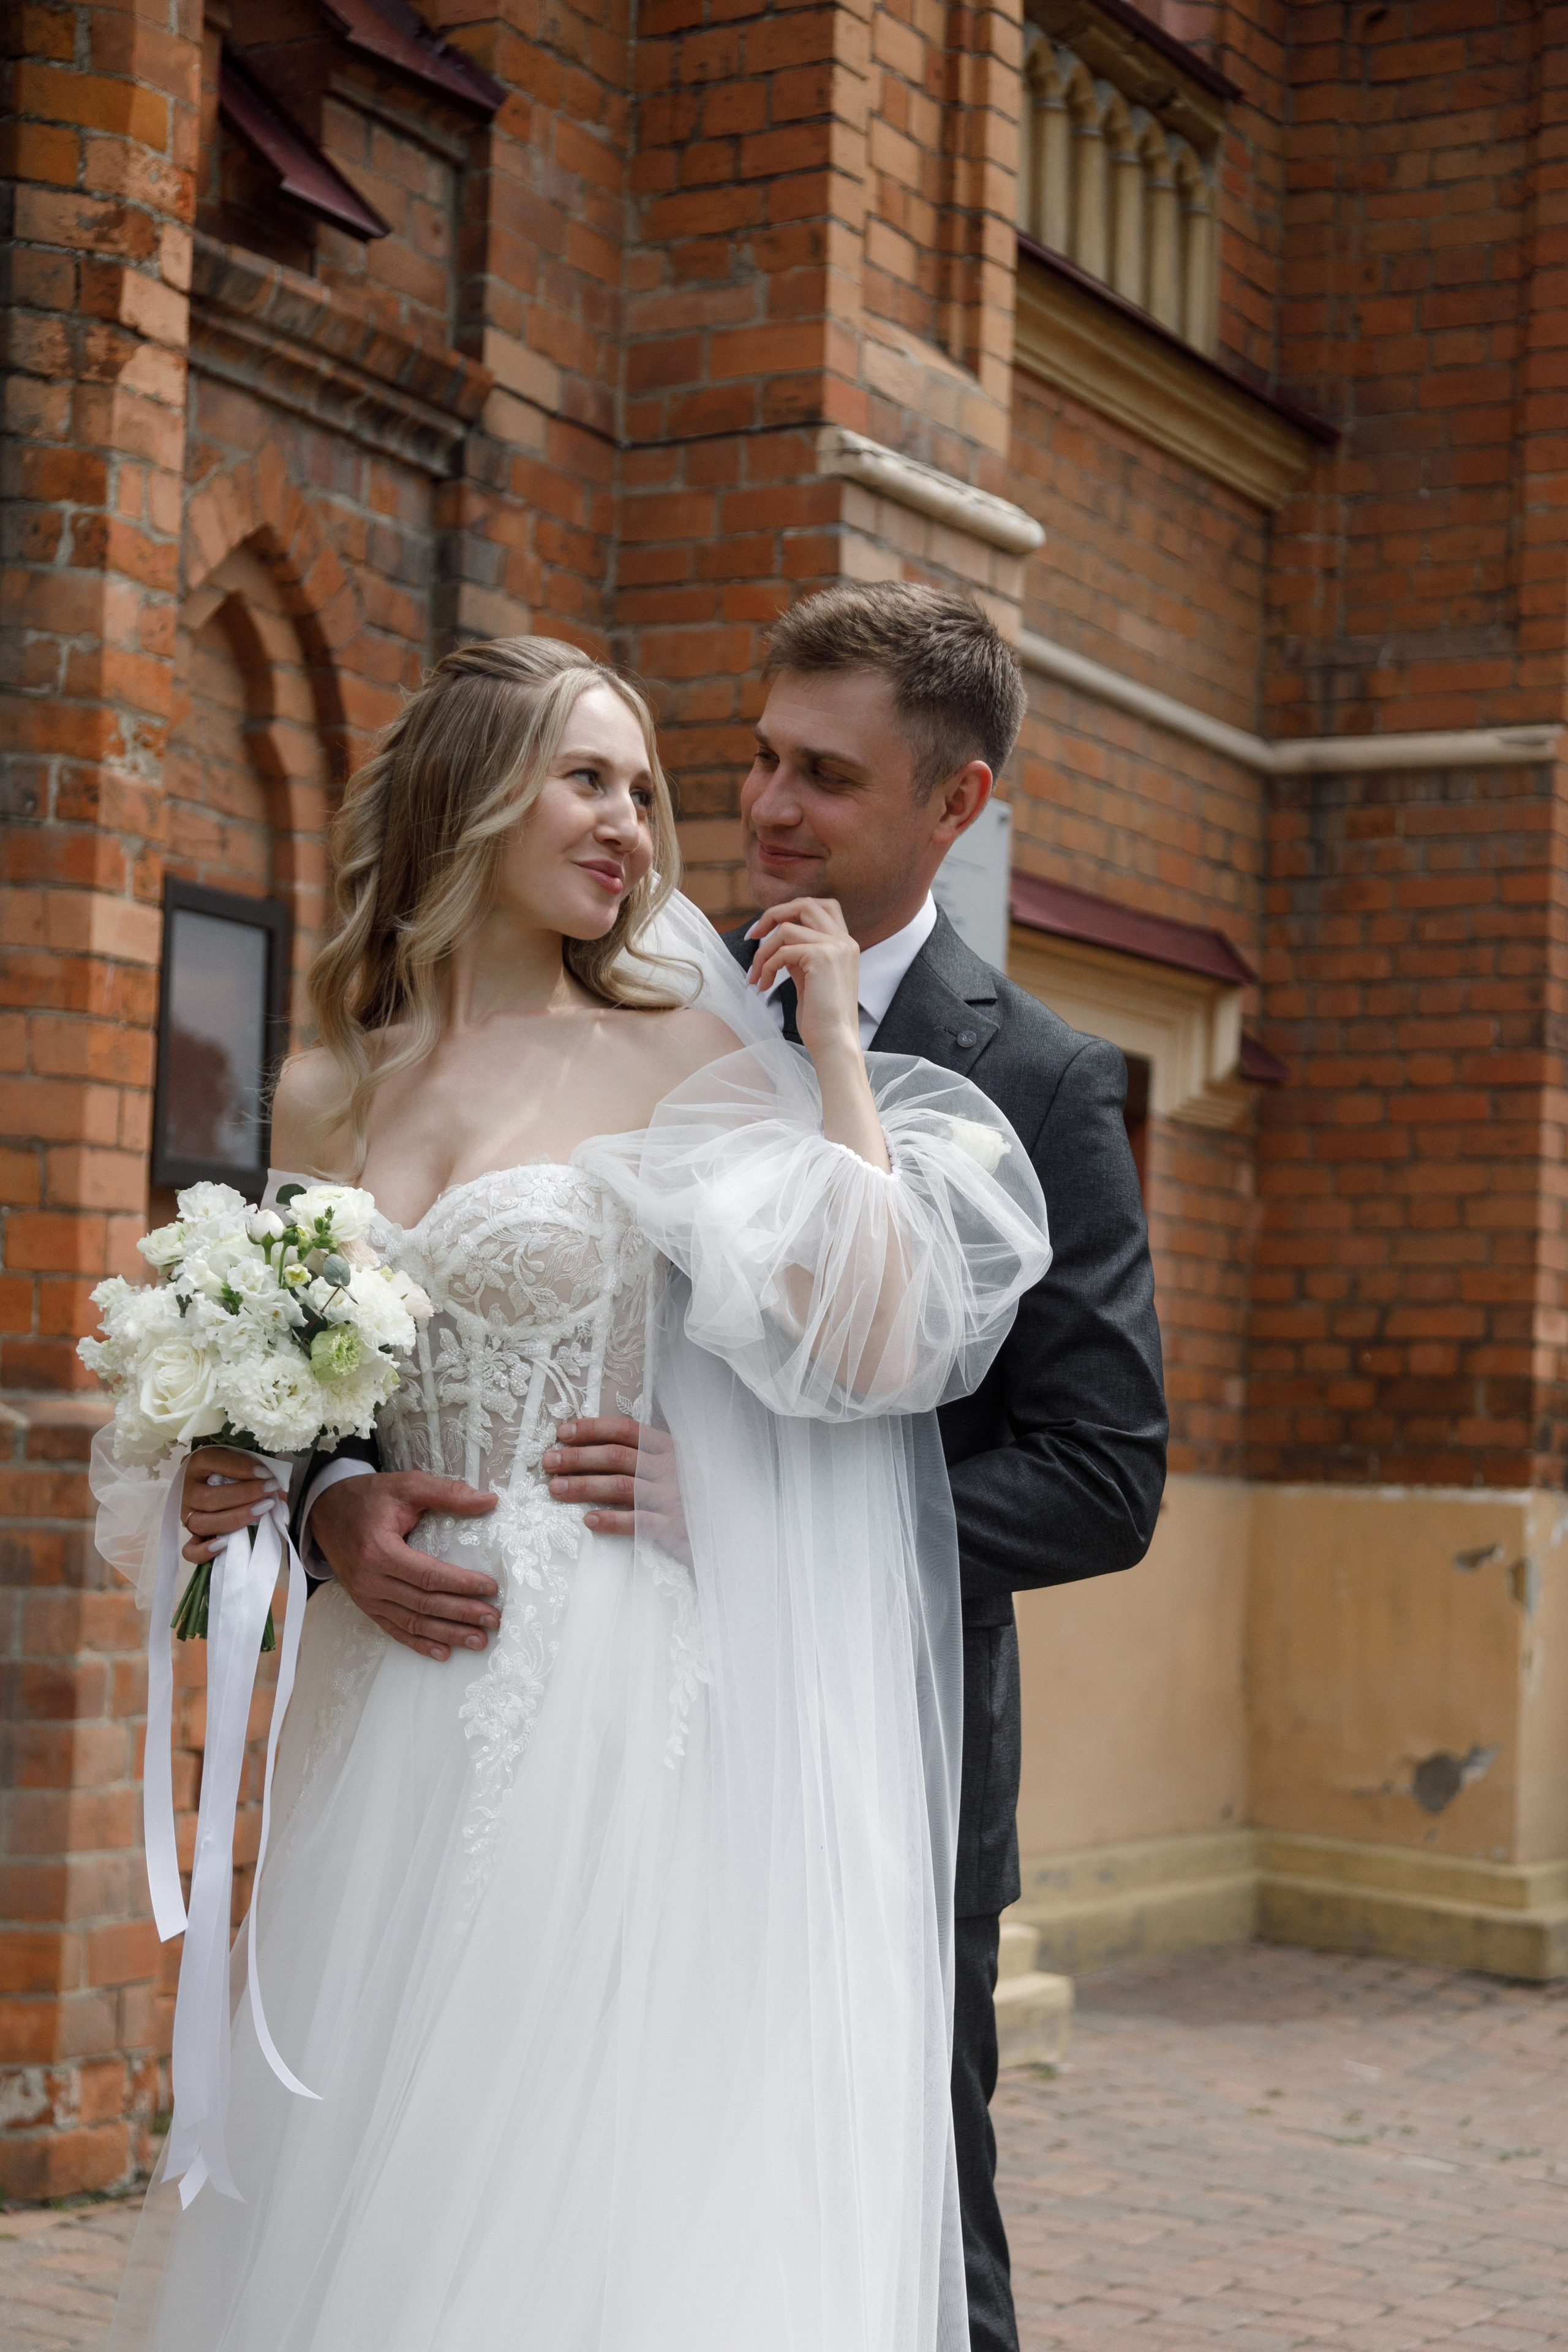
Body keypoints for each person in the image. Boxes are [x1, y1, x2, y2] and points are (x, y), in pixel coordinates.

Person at [99, 635, 1052, 2350]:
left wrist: (838, 1047)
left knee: (567, 2148)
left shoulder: (676, 1047)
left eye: (644, 790)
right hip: (385, 1686)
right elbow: (307, 1397)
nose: (633, 824)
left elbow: (875, 1328)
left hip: (600, 1676)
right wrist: (293, 1490)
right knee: (376, 2138)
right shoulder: (334, 1081)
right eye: (587, 778)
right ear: (474, 790)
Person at [292, 585, 1168, 2352]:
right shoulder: (479, 1036)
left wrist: (756, 1515)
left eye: (824, 777)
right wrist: (326, 1494)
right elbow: (333, 1350)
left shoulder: (1031, 1074)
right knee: (430, 2155)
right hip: (449, 1682)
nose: (759, 806)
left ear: (954, 804)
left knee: (891, 2220)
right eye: (757, 759)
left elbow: (1096, 1469)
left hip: (825, 1732)